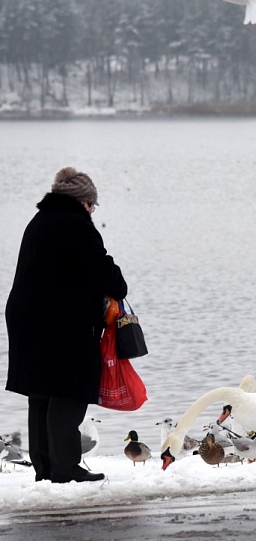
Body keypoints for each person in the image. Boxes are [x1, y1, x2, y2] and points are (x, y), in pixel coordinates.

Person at [5, 167, 128, 483]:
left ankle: (45, 468)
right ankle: (65, 468)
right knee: (67, 392)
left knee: (42, 393)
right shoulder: (76, 226)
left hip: (27, 319)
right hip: (60, 324)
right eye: (92, 205)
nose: (92, 211)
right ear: (84, 202)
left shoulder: (39, 222)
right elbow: (107, 276)